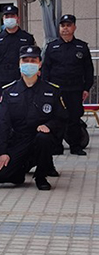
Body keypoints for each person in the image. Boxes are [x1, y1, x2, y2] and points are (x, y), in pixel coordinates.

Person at [0, 46, 68, 190]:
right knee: (1, 176)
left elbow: (62, 118)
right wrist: (2, 152)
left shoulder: (52, 90)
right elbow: (2, 123)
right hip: (19, 140)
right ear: (19, 63)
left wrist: (49, 126)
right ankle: (24, 165)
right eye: (25, 60)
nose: (29, 63)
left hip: (41, 139)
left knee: (43, 138)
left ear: (40, 63)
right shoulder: (9, 91)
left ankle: (41, 176)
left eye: (33, 60)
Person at [43, 14, 94, 156]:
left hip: (75, 89)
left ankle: (75, 146)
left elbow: (88, 69)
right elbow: (46, 68)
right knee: (57, 118)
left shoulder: (81, 47)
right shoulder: (52, 47)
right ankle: (56, 146)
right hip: (56, 90)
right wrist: (46, 88)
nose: (65, 28)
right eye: (62, 25)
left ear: (74, 27)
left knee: (74, 118)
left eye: (68, 25)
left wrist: (86, 88)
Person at [0, 5, 35, 99]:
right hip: (2, 78)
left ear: (17, 18)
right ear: (3, 18)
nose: (9, 19)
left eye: (12, 16)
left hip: (21, 77)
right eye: (7, 16)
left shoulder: (27, 38)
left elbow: (32, 59)